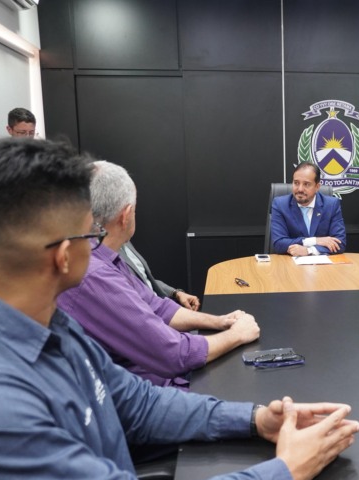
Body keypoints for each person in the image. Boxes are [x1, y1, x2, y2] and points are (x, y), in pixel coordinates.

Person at [0, 138, 359, 480]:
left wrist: (256, 419)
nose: (101, 250)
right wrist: (282, 474)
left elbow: (138, 404)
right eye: (91, 236)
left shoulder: (47, 321)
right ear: (63, 255)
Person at [57, 160, 258, 389]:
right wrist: (236, 335)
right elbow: (174, 354)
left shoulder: (106, 256)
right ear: (126, 215)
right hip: (147, 391)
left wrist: (220, 322)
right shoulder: (95, 275)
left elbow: (159, 307)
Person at [271, 161, 346, 256]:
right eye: (296, 183)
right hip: (290, 263)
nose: (300, 189)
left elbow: (339, 243)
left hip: (323, 264)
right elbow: (279, 244)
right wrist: (314, 241)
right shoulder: (280, 205)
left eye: (306, 184)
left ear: (317, 187)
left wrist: (309, 250)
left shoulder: (331, 205)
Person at [120, 237, 201, 310]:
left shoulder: (126, 242)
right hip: (149, 312)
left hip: (160, 304)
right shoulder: (114, 259)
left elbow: (146, 281)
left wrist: (176, 293)